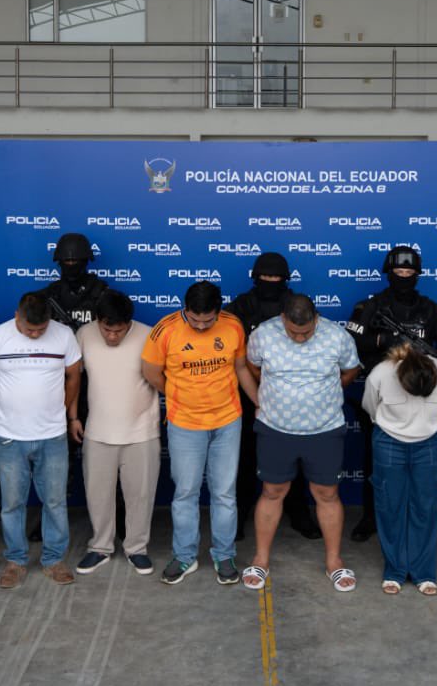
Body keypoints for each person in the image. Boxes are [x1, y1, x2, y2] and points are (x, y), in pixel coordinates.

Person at [235, 293, 361, 593]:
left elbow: (351, 369)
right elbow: (252, 367)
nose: (300, 337)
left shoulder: (337, 336)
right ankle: (261, 559)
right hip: (276, 429)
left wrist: (327, 390)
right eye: (293, 332)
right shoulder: (263, 334)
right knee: (272, 491)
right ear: (283, 320)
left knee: (327, 494)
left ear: (316, 319)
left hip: (325, 430)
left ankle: (334, 561)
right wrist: (264, 399)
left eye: (306, 332)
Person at [344, 246, 437, 542]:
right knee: (376, 463)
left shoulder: (432, 310)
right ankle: (371, 517)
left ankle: (428, 519)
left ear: (417, 275)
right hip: (383, 394)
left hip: (422, 394)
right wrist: (384, 339)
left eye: (409, 273)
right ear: (389, 273)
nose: (404, 277)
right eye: (399, 272)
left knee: (424, 469)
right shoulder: (371, 307)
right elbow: (352, 340)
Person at [142, 281, 247, 586]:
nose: (201, 326)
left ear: (219, 311)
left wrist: (260, 403)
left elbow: (240, 368)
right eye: (195, 319)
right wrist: (177, 395)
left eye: (208, 320)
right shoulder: (166, 330)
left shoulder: (233, 326)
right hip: (185, 424)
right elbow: (150, 371)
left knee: (225, 492)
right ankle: (185, 555)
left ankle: (224, 555)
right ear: (184, 309)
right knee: (186, 492)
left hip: (228, 421)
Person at [0, 292, 81, 589]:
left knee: (54, 501)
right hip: (11, 435)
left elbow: (74, 376)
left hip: (53, 435)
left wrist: (63, 412)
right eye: (29, 330)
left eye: (41, 330)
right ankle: (16, 560)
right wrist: (16, 404)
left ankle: (53, 560)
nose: (36, 335)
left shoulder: (63, 335)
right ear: (17, 317)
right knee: (12, 502)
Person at [228, 252, 322, 541]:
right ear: (255, 278)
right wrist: (257, 393)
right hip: (247, 394)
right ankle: (241, 514)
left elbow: (311, 343)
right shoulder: (241, 306)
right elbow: (235, 354)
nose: (270, 282)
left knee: (294, 458)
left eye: (275, 278)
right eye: (265, 278)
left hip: (292, 396)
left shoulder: (295, 304)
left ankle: (299, 514)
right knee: (244, 460)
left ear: (285, 279)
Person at [72, 290, 160, 575]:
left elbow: (164, 378)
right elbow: (73, 378)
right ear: (98, 321)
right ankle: (100, 547)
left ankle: (137, 548)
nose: (111, 336)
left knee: (140, 495)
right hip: (97, 430)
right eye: (106, 329)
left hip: (141, 430)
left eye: (118, 331)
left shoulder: (149, 336)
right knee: (98, 495)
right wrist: (73, 416)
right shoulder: (84, 334)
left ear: (129, 324)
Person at [361, 343, 437, 595]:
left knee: (426, 506)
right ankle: (395, 571)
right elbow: (370, 406)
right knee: (390, 506)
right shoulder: (381, 373)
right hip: (389, 441)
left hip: (428, 443)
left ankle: (424, 573)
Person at [37, 232, 109, 544]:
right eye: (65, 261)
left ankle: (109, 518)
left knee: (106, 458)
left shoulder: (103, 295)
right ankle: (52, 520)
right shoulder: (46, 296)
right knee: (55, 461)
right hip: (58, 384)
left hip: (99, 384)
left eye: (75, 261)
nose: (70, 265)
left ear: (87, 261)